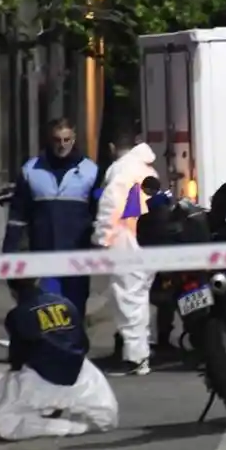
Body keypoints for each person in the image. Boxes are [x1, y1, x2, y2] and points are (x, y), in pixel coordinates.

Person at [0, 276, 119, 441]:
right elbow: (83, 342)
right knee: (101, 408)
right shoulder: (65, 303)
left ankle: (59, 423)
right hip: (76, 370)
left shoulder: (18, 314)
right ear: (38, 281)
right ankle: (65, 411)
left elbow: (17, 356)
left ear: (12, 291)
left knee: (5, 414)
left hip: (41, 374)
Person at [3, 118, 99, 318]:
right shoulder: (30, 170)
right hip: (43, 255)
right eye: (57, 140)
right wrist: (10, 251)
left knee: (75, 310)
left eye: (67, 140)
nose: (62, 145)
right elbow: (17, 214)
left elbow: (100, 212)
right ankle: (48, 349)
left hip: (77, 256)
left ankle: (76, 348)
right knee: (46, 311)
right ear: (49, 139)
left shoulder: (91, 171)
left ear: (74, 139)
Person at [92, 121, 158, 376]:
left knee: (128, 299)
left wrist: (101, 238)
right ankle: (139, 353)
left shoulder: (121, 172)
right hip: (145, 239)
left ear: (111, 147)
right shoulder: (145, 167)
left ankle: (135, 358)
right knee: (138, 299)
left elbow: (111, 206)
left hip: (126, 239)